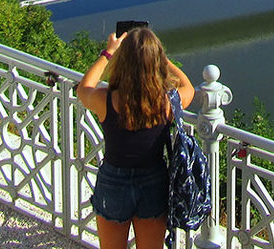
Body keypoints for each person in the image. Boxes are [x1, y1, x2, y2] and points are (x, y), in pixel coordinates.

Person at [77, 26, 195, 249]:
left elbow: (84, 88)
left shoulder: (106, 100)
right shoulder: (168, 102)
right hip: (153, 180)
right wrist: (162, 60)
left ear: (123, 61)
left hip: (113, 181)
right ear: (157, 61)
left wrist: (108, 52)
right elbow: (188, 87)